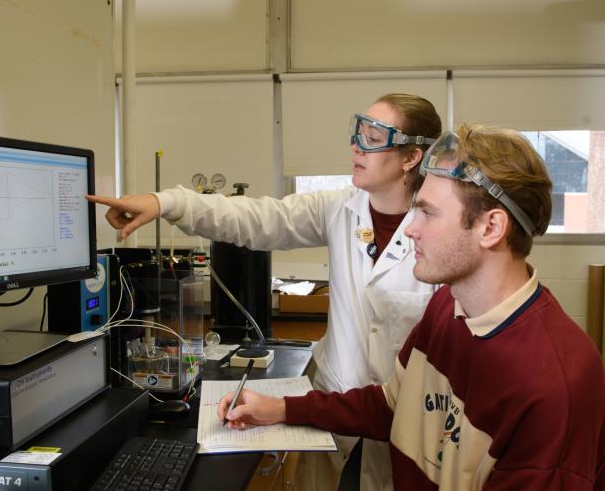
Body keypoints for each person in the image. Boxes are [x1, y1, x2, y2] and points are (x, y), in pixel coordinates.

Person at [216, 124, 605, 490]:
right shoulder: (447, 307)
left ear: (491, 228)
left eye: (427, 212)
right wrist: (281, 408)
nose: (410, 228)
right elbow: (391, 405)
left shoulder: (554, 393)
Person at [87, 93, 443, 490]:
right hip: (331, 414)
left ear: (412, 156)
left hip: (404, 425)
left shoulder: (440, 231)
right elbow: (257, 218)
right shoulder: (340, 208)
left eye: (374, 138)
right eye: (358, 132)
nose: (356, 146)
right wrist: (166, 202)